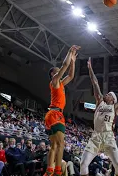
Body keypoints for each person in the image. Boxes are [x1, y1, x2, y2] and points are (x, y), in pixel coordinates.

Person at [44, 45, 80, 176]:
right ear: (53, 74)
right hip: (55, 114)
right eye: (58, 71)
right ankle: (58, 171)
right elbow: (65, 65)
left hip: (52, 114)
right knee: (61, 144)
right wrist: (70, 52)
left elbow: (70, 75)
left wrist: (73, 62)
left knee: (54, 146)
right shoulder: (54, 80)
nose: (60, 72)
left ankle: (49, 170)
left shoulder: (60, 84)